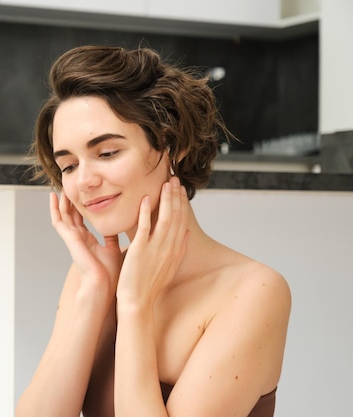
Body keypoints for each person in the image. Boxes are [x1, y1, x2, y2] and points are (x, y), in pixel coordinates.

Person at [15, 45, 291, 417]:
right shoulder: (93, 277)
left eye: (107, 153)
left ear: (171, 144)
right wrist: (96, 290)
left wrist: (134, 304)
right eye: (68, 166)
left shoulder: (253, 292)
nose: (84, 181)